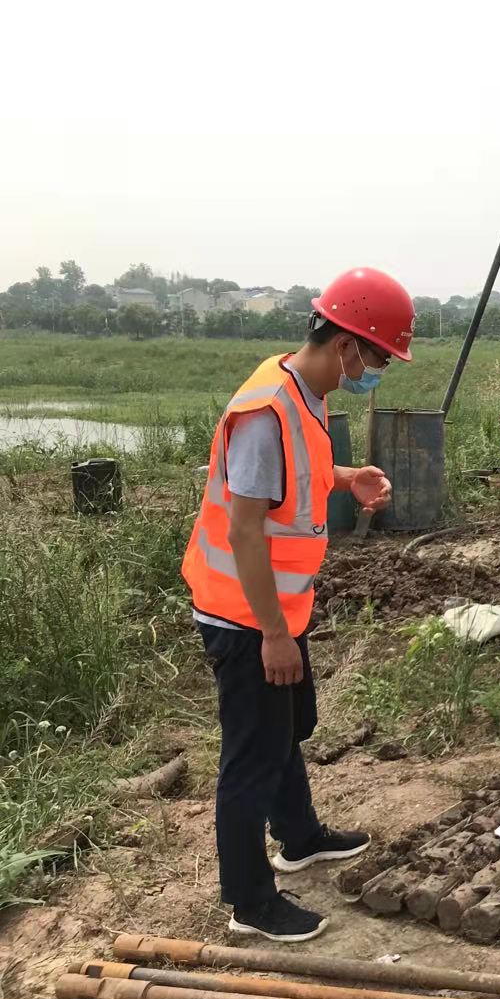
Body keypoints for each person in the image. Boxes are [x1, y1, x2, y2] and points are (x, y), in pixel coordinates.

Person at [183, 267, 416, 942]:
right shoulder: (266, 413)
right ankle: (250, 902)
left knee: (286, 730)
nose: (376, 372)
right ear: (345, 345)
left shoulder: (300, 392)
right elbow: (244, 530)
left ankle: (300, 837)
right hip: (245, 618)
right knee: (252, 756)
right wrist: (273, 635)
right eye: (376, 359)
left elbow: (297, 477)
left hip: (277, 610)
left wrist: (347, 477)